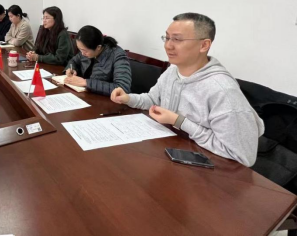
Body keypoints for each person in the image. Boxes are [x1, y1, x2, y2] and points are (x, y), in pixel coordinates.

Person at [110, 13, 264, 167]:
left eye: (177, 39)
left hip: (210, 170)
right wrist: (128, 98)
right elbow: (153, 100)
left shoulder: (223, 91)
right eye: (167, 38)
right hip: (171, 153)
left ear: (204, 45)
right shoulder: (173, 71)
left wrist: (179, 121)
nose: (168, 45)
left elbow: (242, 156)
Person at [64, 25, 131, 96]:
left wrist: (86, 83)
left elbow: (123, 88)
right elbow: (73, 61)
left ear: (98, 47)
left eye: (84, 50)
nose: (82, 54)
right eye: (80, 49)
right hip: (85, 94)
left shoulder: (117, 55)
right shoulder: (86, 49)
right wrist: (72, 69)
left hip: (106, 99)